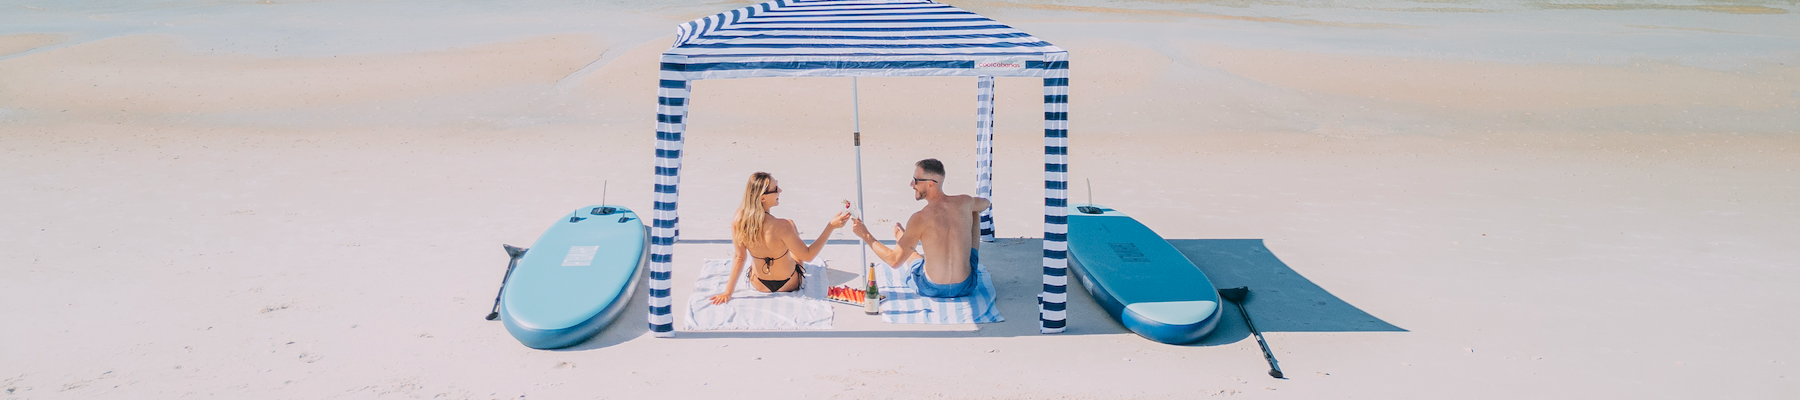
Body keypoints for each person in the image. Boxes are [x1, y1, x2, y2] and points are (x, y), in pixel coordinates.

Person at [849, 159, 992, 298]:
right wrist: (967, 209)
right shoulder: (965, 201)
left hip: (932, 288)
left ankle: (907, 245)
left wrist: (865, 234)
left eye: (916, 180)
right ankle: (909, 245)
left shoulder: (920, 218)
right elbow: (986, 203)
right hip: (966, 285)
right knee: (974, 211)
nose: (912, 184)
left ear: (931, 184)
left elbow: (894, 261)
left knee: (916, 263)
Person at [709, 172, 851, 305]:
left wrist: (728, 292)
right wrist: (830, 227)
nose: (780, 191)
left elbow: (740, 258)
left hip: (759, 284)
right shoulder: (782, 226)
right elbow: (808, 256)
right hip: (789, 283)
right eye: (775, 189)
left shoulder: (738, 220)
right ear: (763, 198)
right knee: (791, 226)